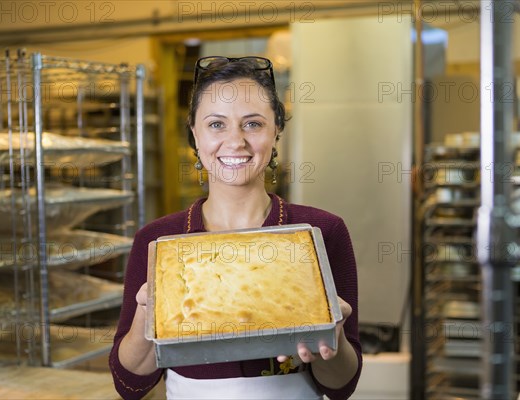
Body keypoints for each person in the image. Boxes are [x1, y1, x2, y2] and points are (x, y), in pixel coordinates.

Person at [109, 56, 362, 400]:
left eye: (253, 124)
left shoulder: (320, 232)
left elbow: (342, 385)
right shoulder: (159, 244)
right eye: (216, 125)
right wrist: (146, 313)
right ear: (195, 134)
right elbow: (130, 385)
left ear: (276, 131)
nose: (235, 141)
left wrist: (333, 337)